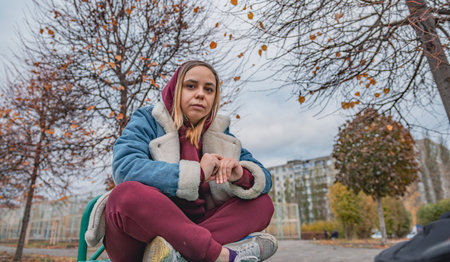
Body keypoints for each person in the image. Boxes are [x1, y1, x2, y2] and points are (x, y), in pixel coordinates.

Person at [104, 61, 277, 262]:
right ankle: (222, 256)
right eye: (191, 86)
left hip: (201, 225)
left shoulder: (221, 133)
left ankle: (176, 256)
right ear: (175, 89)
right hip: (141, 241)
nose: (201, 94)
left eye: (209, 89)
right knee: (125, 195)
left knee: (262, 203)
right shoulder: (148, 120)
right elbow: (125, 167)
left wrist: (242, 175)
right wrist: (197, 173)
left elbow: (264, 178)